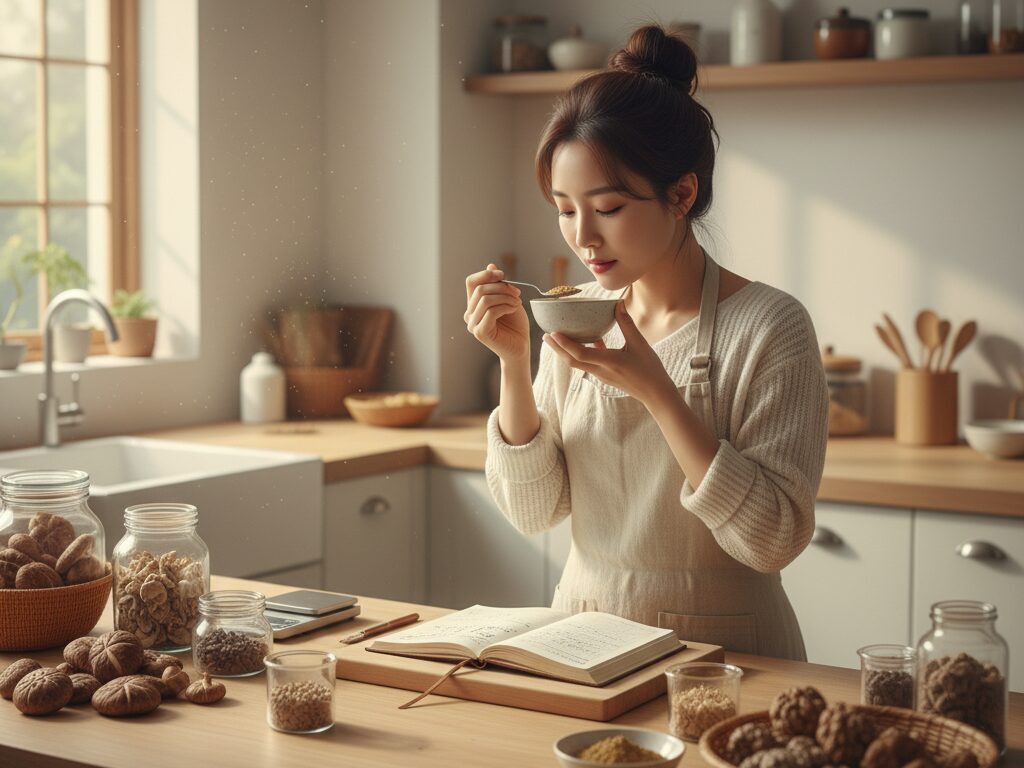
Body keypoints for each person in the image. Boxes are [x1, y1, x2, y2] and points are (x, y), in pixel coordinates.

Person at [463, 25, 828, 660]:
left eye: (606, 209)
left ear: (681, 193)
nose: (583, 238)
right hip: (581, 641)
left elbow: (773, 540)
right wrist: (514, 362)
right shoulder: (575, 315)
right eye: (565, 208)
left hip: (727, 655)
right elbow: (535, 510)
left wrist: (658, 391)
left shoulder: (771, 325)